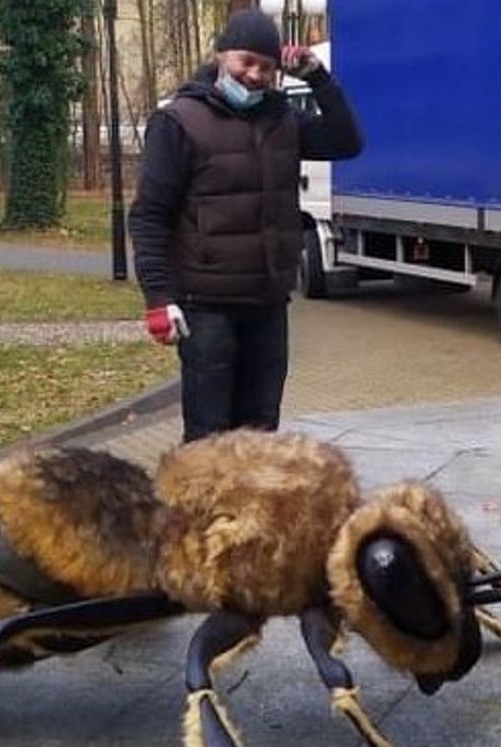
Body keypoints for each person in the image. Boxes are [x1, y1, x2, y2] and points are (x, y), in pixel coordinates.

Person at [130, 10, 363, 442]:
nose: (255, 74)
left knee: (260, 432)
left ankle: (255, 512)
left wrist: (318, 79)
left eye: (267, 66)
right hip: (206, 309)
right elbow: (149, 216)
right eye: (245, 62)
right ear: (221, 56)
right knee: (209, 438)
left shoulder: (283, 121)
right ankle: (200, 512)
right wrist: (158, 297)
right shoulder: (179, 121)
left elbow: (347, 142)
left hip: (268, 305)